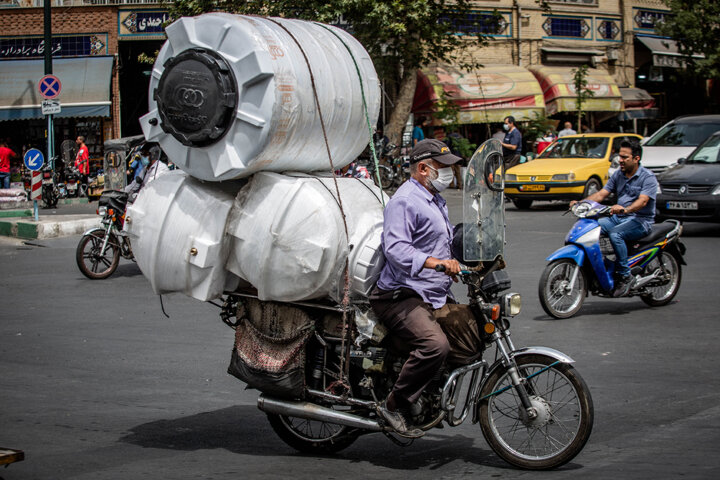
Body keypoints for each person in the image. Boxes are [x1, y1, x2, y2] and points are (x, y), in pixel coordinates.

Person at [369, 138, 462, 438]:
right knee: (435, 345)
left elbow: (440, 241)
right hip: (400, 294)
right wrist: (436, 263)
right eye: (442, 167)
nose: (449, 173)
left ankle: (429, 391)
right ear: (423, 169)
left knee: (467, 329)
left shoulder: (434, 198)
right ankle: (393, 405)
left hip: (431, 291)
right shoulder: (405, 201)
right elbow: (396, 248)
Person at [570, 139, 657, 297]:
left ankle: (625, 275)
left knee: (616, 234)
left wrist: (626, 209)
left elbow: (643, 201)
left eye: (624, 157)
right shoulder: (619, 174)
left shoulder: (648, 177)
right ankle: (601, 266)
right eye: (619, 156)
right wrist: (580, 203)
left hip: (640, 220)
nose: (620, 160)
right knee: (591, 227)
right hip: (619, 217)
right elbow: (601, 194)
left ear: (636, 159)